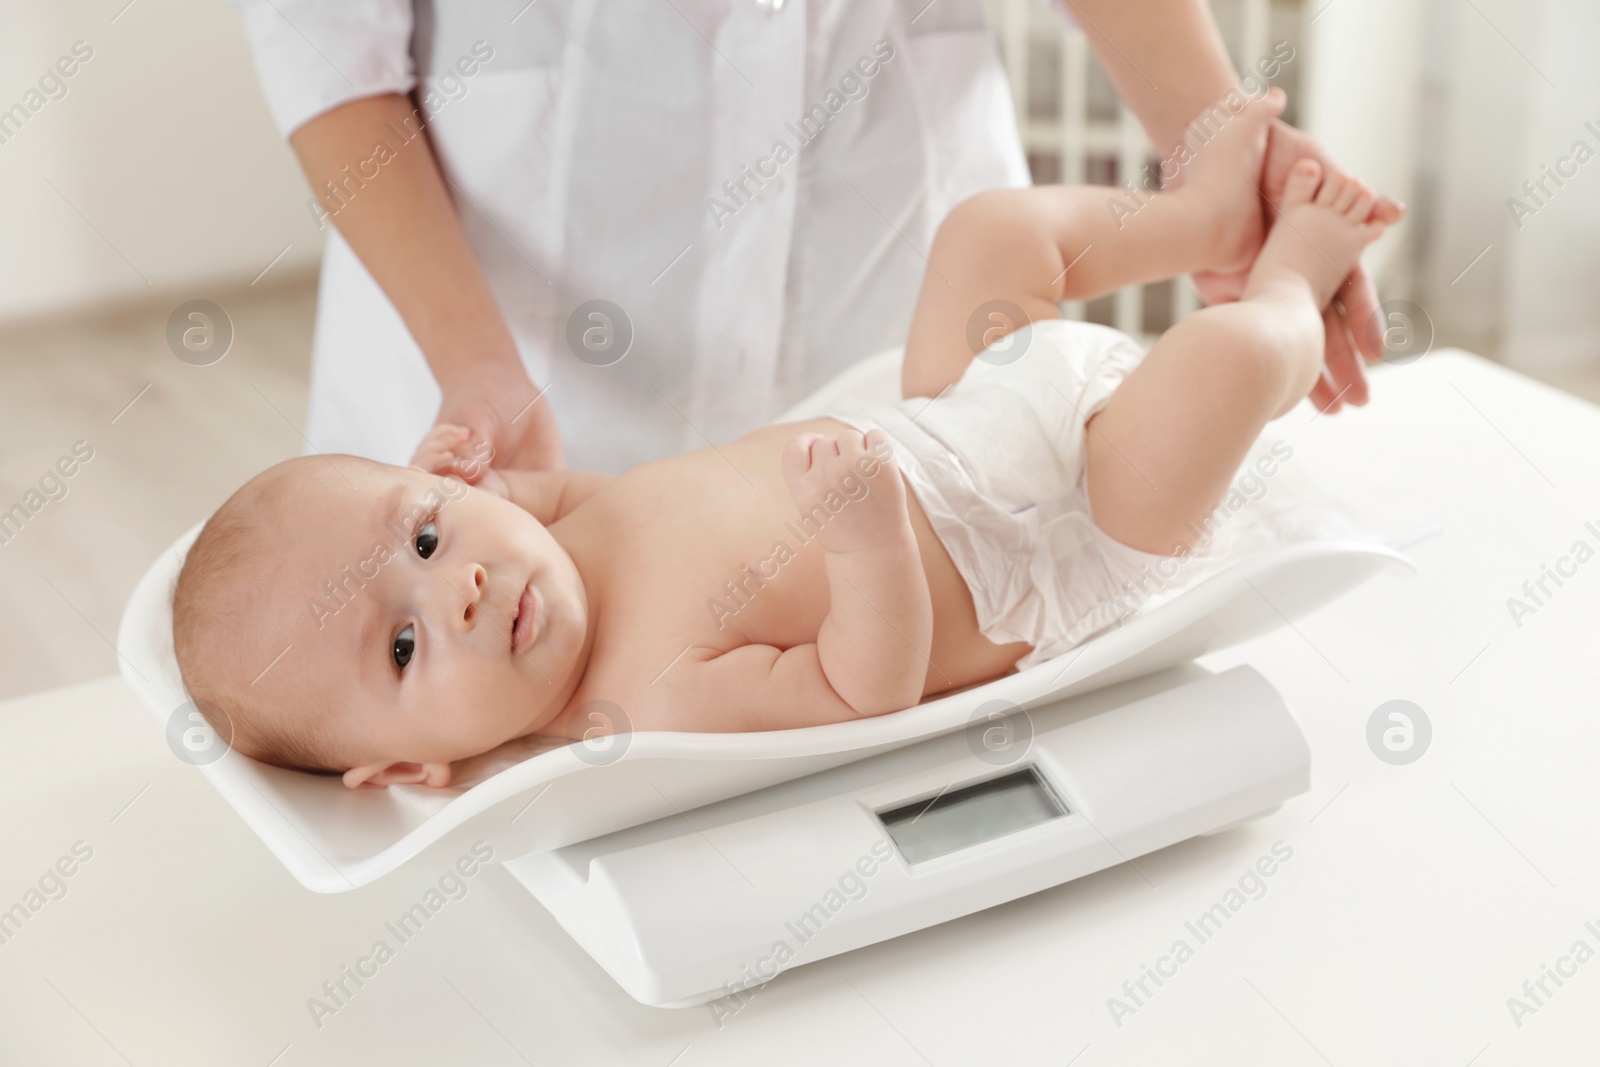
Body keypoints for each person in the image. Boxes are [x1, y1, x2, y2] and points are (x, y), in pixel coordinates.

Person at [170, 89, 1396, 788]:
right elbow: (863, 688)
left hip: (950, 419)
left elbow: (512, 499)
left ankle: (1198, 216)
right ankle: (1290, 282)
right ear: (409, 770)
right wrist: (864, 543)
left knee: (986, 233)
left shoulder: (548, 533)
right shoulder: (642, 701)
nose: (464, 585)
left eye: (427, 537)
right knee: (1218, 363)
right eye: (400, 644)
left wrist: (472, 470)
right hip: (1056, 538)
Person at [226, 0, 1400, 477]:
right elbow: (332, 65)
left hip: (919, 345)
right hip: (517, 401)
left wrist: (1217, 150)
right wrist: (477, 368)